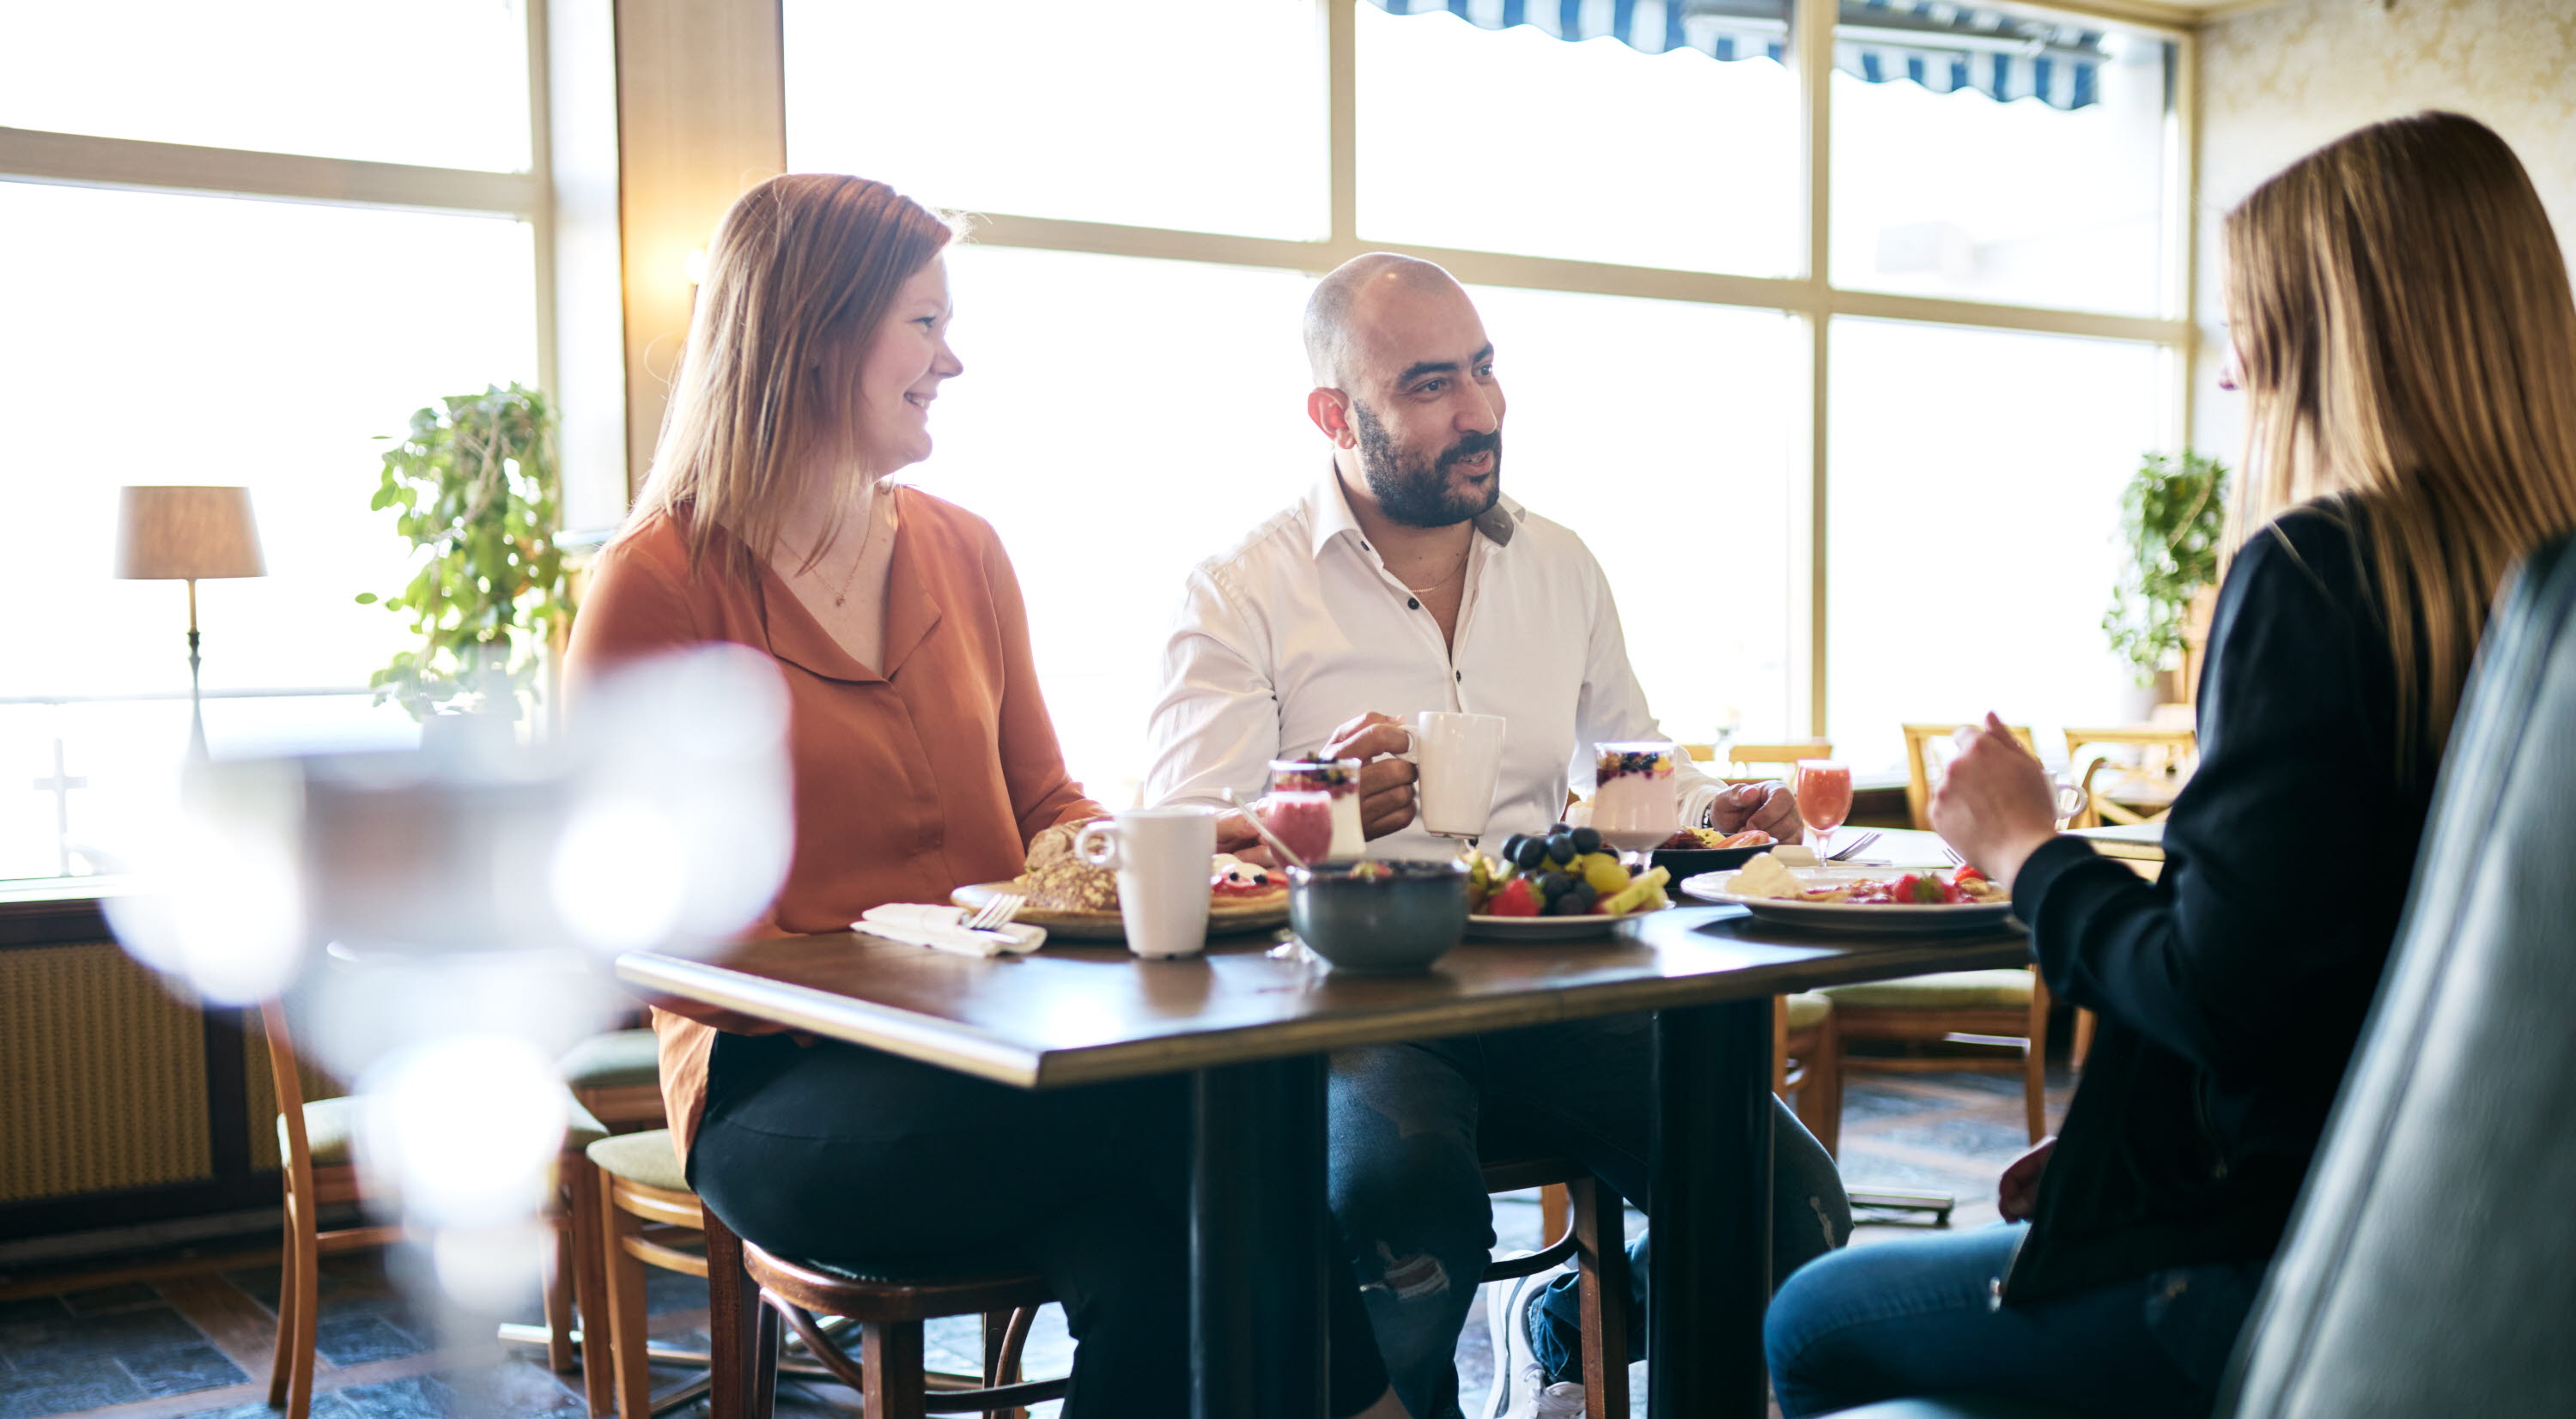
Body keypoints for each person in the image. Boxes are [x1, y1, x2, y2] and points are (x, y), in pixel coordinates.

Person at [1764, 112, 2576, 1418]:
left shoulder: (2315, 576)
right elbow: (2342, 983)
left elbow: (2219, 989)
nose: (2230, 378)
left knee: (1809, 1316)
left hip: (2263, 1273)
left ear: (2340, 336)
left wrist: (2027, 846)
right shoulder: (2536, 602)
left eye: (2250, 326)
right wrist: (2121, 1144)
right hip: (2468, 1265)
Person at [567, 174, 1402, 1419]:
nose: (951, 360)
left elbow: (1046, 812)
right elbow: (626, 918)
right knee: (1185, 1139)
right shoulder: (663, 584)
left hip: (997, 1053)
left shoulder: (967, 549)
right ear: (813, 329)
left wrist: (1206, 836)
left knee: (1166, 1217)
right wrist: (881, 959)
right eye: (923, 323)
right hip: (780, 1090)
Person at [1142, 252, 1847, 1419]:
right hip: (1353, 1009)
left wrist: (1719, 806)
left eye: (1482, 368)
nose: (1480, 411)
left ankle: (1571, 1318)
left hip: (1556, 987)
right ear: (1335, 414)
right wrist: (1313, 799)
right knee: (1404, 1223)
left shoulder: (1560, 565)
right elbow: (1181, 839)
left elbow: (1629, 761)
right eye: (1429, 386)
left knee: (1795, 1205)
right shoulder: (1238, 589)